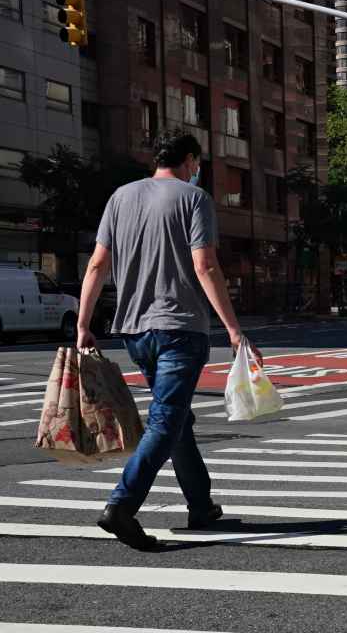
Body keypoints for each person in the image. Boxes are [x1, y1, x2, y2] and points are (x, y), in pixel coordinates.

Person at [75, 129, 263, 551]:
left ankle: (201, 506)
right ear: (190, 160)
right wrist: (234, 329)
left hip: (134, 330)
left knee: (176, 418)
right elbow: (205, 266)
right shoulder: (194, 199)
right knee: (166, 419)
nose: (198, 171)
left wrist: (84, 323)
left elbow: (97, 264)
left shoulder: (120, 197)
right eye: (198, 165)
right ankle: (121, 506)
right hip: (180, 328)